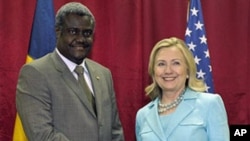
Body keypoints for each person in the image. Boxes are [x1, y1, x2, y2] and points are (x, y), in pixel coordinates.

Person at [16, 2, 124, 141]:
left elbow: (115, 130)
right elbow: (42, 135)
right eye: (73, 31)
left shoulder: (103, 74)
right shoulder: (35, 74)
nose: (80, 39)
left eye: (87, 33)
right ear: (58, 31)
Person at [135, 37, 229, 141]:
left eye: (176, 63)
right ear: (153, 72)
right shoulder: (142, 115)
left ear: (188, 70)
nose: (168, 70)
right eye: (161, 64)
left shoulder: (210, 104)